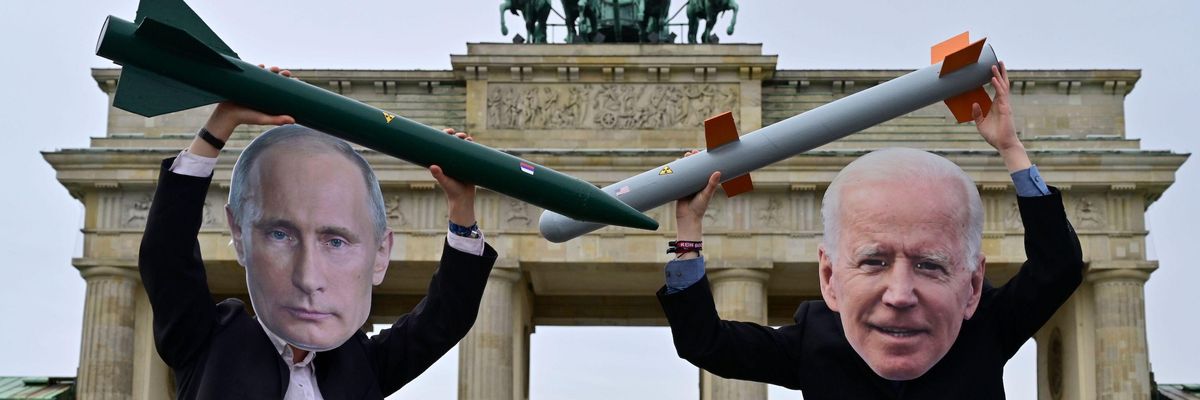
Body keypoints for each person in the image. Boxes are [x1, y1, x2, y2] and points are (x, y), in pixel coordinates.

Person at [657, 62, 1084, 398]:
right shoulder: (816, 339)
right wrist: (689, 230)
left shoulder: (986, 324)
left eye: (930, 265)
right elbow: (705, 343)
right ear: (830, 279)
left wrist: (1012, 150)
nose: (899, 295)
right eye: (874, 262)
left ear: (972, 287)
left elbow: (1059, 267)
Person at [138, 67, 498, 399]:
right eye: (281, 235)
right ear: (241, 236)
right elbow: (166, 255)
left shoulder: (361, 365)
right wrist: (220, 124)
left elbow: (444, 319)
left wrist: (462, 210)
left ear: (381, 254)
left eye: (335, 241)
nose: (309, 279)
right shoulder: (209, 341)